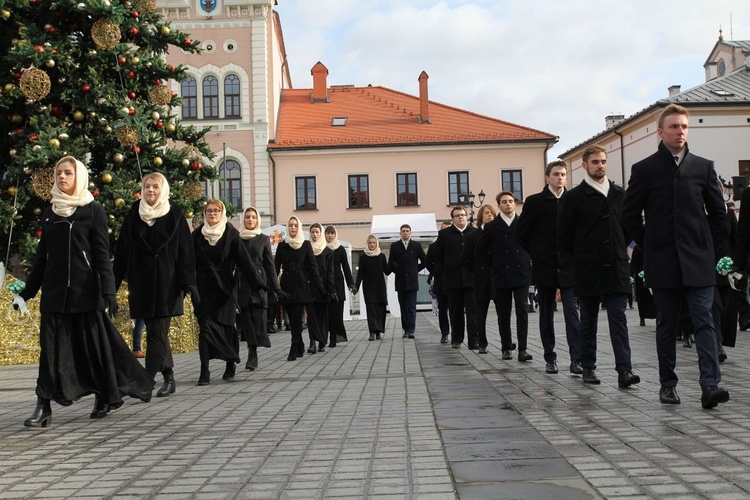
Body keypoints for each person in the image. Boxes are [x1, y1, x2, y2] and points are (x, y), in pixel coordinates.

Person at [18, 156, 153, 427]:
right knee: (50, 353)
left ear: (79, 176)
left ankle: (104, 395)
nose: (62, 177)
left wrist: (109, 293)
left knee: (94, 350)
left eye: (68, 173)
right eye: (59, 173)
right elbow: (42, 259)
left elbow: (102, 256)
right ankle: (43, 406)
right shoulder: (50, 213)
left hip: (85, 294)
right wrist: (27, 292)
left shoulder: (93, 211)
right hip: (55, 296)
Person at [623, 104, 728, 408]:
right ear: (660, 132)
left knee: (704, 321)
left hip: (698, 260)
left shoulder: (703, 167)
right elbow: (629, 215)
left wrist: (706, 244)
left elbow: (718, 214)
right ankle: (668, 384)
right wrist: (648, 244)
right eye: (673, 127)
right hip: (663, 259)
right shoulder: (644, 169)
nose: (680, 131)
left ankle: (710, 385)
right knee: (667, 324)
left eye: (683, 126)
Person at [559, 145, 640, 388]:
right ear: (585, 165)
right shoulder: (573, 197)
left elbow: (629, 229)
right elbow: (564, 236)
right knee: (589, 320)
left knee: (619, 318)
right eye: (595, 162)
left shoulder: (618, 193)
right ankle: (588, 367)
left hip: (616, 265)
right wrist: (583, 254)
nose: (600, 165)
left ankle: (624, 370)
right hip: (587, 267)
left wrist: (620, 249)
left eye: (603, 161)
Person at [113, 172, 198, 398]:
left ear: (163, 190)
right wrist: (110, 288)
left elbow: (186, 252)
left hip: (168, 286)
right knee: (155, 332)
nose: (150, 190)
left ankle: (146, 383)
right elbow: (121, 252)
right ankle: (169, 377)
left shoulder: (175, 215)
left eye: (155, 187)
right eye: (147, 186)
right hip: (141, 284)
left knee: (157, 333)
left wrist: (190, 284)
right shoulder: (134, 214)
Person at [516, 160, 582, 375]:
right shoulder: (535, 201)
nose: (560, 178)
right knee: (546, 313)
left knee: (572, 313)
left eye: (563, 174)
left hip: (568, 265)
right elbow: (522, 234)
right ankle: (550, 357)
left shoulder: (573, 200)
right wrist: (537, 254)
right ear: (547, 177)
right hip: (544, 266)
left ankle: (576, 359)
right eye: (556, 174)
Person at [192, 200, 264, 385]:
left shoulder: (231, 234)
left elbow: (244, 261)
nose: (212, 214)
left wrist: (259, 284)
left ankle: (230, 363)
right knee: (205, 329)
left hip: (225, 290)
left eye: (216, 210)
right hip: (203, 289)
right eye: (209, 211)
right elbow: (186, 262)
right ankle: (204, 371)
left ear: (222, 212)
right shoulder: (197, 236)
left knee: (226, 327)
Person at [476, 192, 533, 362]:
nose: (508, 204)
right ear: (499, 206)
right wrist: (496, 263)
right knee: (504, 312)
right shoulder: (492, 227)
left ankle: (522, 349)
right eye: (504, 202)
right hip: (501, 274)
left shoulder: (523, 223)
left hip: (521, 273)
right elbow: (480, 251)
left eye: (510, 201)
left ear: (514, 204)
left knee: (522, 309)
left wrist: (527, 260)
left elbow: (532, 244)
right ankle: (506, 347)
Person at [237, 207, 287, 371]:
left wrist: (276, 288)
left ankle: (253, 353)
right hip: (243, 284)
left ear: (257, 219)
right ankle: (251, 350)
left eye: (253, 217)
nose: (250, 220)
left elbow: (270, 266)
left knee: (258, 318)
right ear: (243, 220)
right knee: (247, 321)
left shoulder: (263, 239)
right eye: (247, 217)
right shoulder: (238, 239)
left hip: (259, 284)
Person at [275, 216, 325, 361]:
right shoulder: (282, 245)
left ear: (299, 227)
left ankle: (294, 345)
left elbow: (313, 267)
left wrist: (320, 287)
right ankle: (301, 345)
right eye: (290, 225)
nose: (293, 228)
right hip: (286, 285)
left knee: (297, 317)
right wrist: (273, 286)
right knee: (291, 317)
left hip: (302, 285)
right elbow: (275, 267)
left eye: (295, 225)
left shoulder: (305, 244)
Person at [430, 207, 478, 349]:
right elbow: (439, 258)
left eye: (463, 215)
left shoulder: (474, 233)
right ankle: (457, 338)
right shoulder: (444, 235)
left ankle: (473, 340)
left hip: (471, 279)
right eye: (457, 216)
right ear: (453, 219)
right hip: (452, 279)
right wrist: (441, 276)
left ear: (467, 217)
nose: (461, 217)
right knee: (455, 311)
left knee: (472, 311)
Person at [461, 204, 498, 354]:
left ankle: (506, 343)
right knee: (480, 312)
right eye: (487, 213)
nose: (490, 216)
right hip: (481, 278)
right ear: (481, 216)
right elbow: (465, 259)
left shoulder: (499, 233)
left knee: (502, 312)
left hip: (497, 278)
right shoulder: (473, 236)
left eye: (492, 214)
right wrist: (477, 270)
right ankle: (481, 342)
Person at [388, 224, 426, 339]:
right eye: (403, 231)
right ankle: (405, 329)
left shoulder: (416, 245)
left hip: (412, 281)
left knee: (411, 307)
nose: (405, 233)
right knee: (403, 307)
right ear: (400, 233)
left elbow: (425, 260)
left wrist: (415, 270)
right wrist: (396, 270)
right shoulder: (394, 246)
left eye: (407, 231)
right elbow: (391, 262)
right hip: (400, 281)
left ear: (410, 233)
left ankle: (411, 330)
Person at [354, 235, 391, 340]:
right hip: (368, 287)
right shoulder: (363, 257)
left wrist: (393, 265)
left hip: (380, 287)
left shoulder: (381, 256)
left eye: (374, 243)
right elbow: (360, 273)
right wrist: (356, 287)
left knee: (380, 309)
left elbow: (386, 271)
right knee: (371, 309)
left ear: (377, 244)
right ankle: (371, 332)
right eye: (370, 243)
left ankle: (378, 331)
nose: (372, 245)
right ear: (367, 244)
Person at [307, 223, 336, 353]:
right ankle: (312, 342)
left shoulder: (328, 251)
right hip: (309, 288)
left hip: (323, 289)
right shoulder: (306, 249)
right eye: (312, 232)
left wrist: (331, 290)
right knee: (312, 317)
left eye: (317, 232)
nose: (314, 235)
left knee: (322, 317)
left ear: (321, 233)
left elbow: (330, 273)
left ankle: (322, 341)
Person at [325, 225, 355, 347]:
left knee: (337, 313)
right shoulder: (321, 248)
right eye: (328, 233)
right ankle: (326, 338)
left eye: (332, 233)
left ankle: (334, 338)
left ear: (335, 234)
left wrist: (351, 284)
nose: (330, 235)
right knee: (327, 313)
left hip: (338, 283)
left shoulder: (340, 249)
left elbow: (346, 268)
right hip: (325, 284)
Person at [425, 222, 452, 343]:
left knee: (454, 309)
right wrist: (436, 272)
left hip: (454, 281)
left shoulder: (455, 244)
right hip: (440, 282)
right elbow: (428, 263)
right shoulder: (434, 246)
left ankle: (456, 333)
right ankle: (444, 333)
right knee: (442, 309)